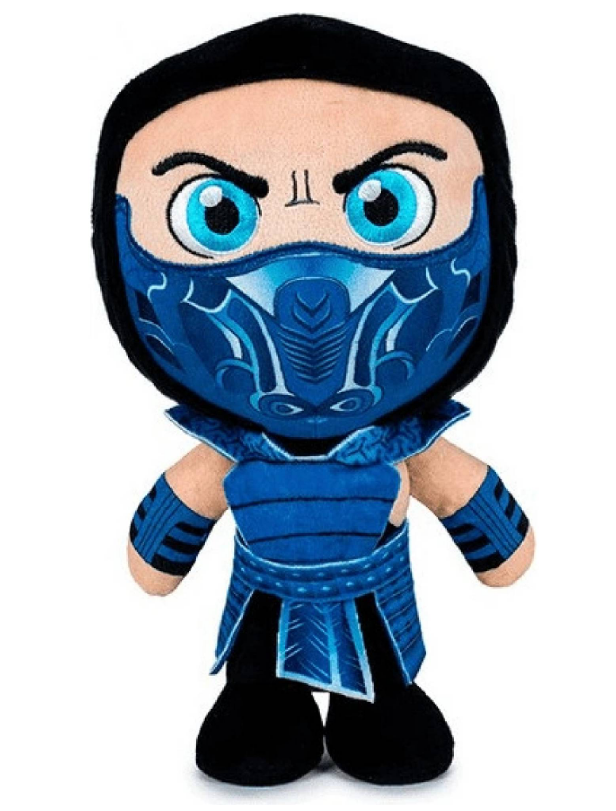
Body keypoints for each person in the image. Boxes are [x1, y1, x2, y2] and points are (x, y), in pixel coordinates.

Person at [93, 14, 534, 787]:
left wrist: (494, 537)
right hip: (263, 599)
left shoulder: (402, 443)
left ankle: (376, 708)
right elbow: (161, 542)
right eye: (217, 216)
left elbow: (482, 519)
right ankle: (266, 705)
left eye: (385, 205)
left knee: (385, 691)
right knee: (258, 696)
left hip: (375, 599)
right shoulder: (234, 449)